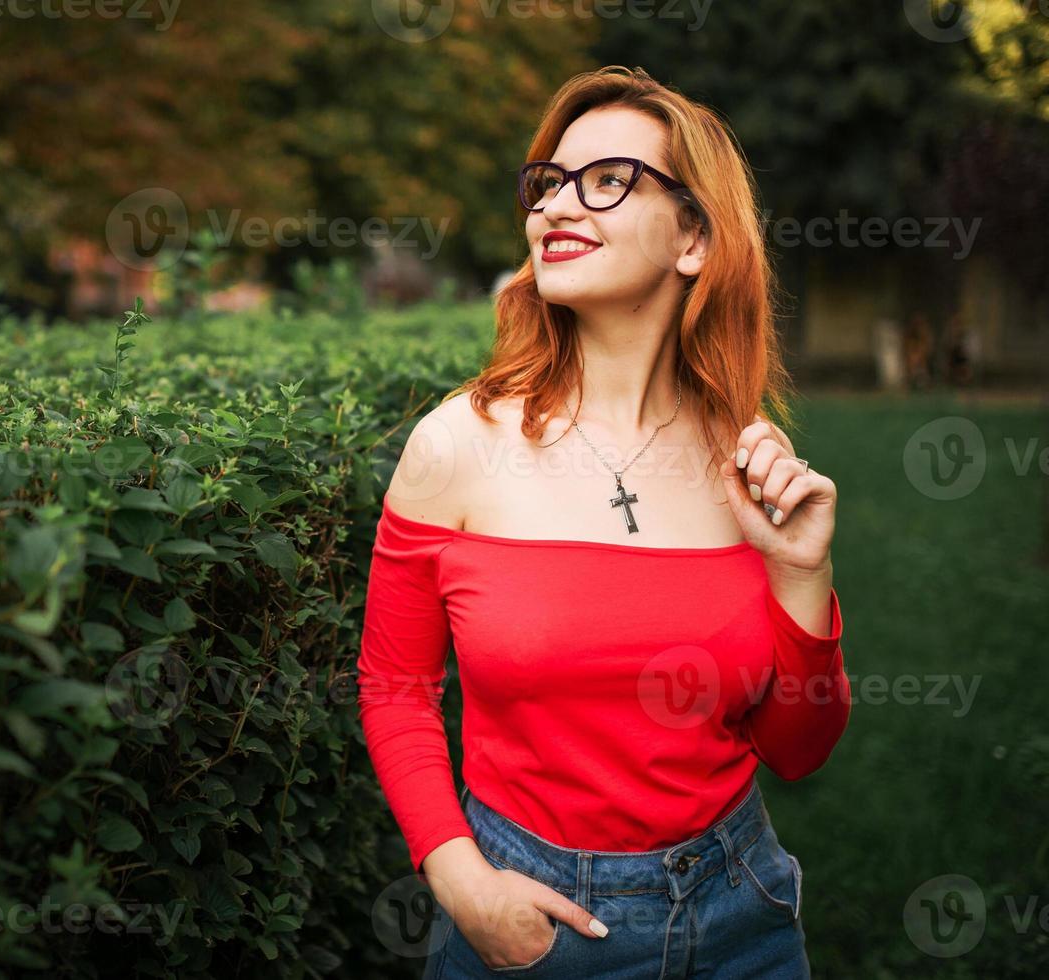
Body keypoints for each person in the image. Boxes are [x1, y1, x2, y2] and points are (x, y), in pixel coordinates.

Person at [357, 66, 850, 979]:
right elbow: (395, 686)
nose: (556, 207)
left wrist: (801, 577)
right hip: (528, 918)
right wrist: (463, 883)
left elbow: (798, 749)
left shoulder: (746, 452)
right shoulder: (457, 444)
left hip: (744, 913)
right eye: (547, 183)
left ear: (694, 236)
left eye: (608, 179)